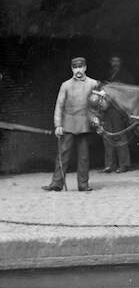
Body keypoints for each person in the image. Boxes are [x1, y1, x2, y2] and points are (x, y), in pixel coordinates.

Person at [42, 57, 100, 192]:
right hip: (68, 124)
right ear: (72, 69)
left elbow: (98, 105)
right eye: (75, 67)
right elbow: (59, 105)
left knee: (84, 157)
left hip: (85, 124)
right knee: (63, 154)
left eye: (80, 67)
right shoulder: (66, 85)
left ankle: (83, 184)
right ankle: (56, 183)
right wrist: (58, 125)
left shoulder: (93, 84)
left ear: (85, 67)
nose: (78, 70)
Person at [102, 54, 134, 174]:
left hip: (118, 110)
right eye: (113, 61)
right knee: (107, 136)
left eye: (117, 61)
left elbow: (130, 92)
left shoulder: (126, 76)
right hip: (106, 110)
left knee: (120, 136)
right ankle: (109, 165)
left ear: (121, 62)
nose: (115, 63)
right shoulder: (106, 74)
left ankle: (124, 164)